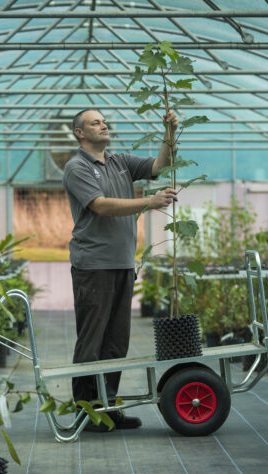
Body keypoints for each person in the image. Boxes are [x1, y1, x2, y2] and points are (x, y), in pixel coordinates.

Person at [62, 108, 178, 431]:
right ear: (80, 133)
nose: (103, 125)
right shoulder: (76, 167)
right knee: (92, 342)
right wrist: (148, 202)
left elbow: (158, 166)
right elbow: (100, 205)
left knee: (116, 343)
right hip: (93, 266)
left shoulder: (119, 162)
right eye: (95, 123)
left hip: (123, 264)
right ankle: (86, 412)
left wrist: (169, 133)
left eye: (104, 121)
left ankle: (108, 409)